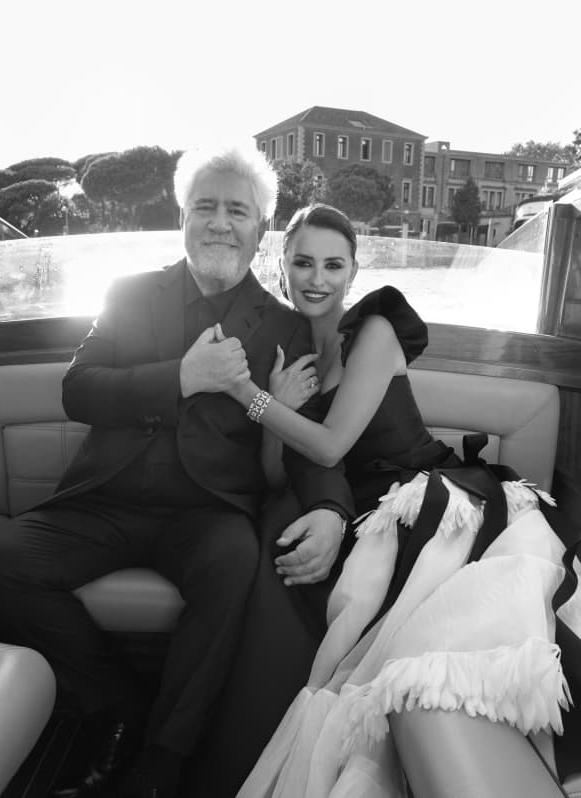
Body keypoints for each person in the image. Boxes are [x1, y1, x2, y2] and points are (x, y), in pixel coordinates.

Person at [0, 155, 354, 798]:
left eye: (238, 211)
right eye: (206, 206)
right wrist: (183, 377)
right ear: (183, 217)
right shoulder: (127, 293)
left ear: (260, 230)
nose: (220, 223)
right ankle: (114, 705)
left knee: (234, 563)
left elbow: (308, 439)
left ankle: (162, 761)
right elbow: (79, 391)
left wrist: (332, 510)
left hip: (206, 514)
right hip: (103, 501)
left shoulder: (287, 326)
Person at [214, 203, 581, 797]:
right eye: (303, 262)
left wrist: (248, 395)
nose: (317, 278)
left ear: (353, 272)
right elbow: (273, 474)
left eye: (333, 265)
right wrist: (272, 403)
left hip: (423, 496)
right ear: (280, 265)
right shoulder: (289, 349)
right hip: (361, 513)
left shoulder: (374, 330)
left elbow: (330, 449)